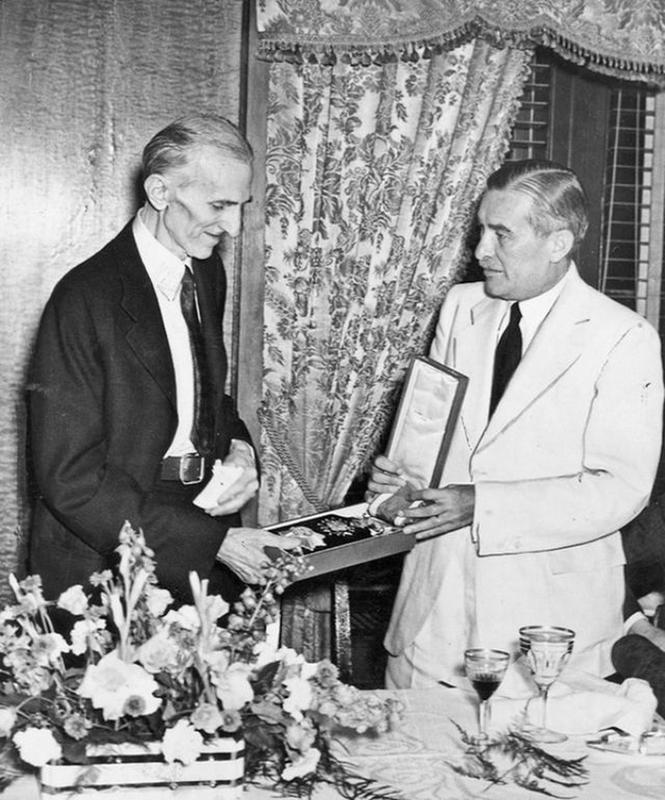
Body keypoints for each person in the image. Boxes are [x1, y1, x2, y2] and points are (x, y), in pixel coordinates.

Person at [368, 159, 664, 688]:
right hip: (433, 616)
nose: (481, 250)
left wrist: (484, 504)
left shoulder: (623, 337)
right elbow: (429, 441)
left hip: (547, 631)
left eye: (501, 234)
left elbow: (621, 490)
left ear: (559, 242)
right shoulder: (461, 307)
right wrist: (399, 486)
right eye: (481, 229)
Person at [27, 114, 296, 607]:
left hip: (194, 522)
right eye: (219, 205)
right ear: (159, 191)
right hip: (107, 553)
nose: (233, 226)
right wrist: (211, 544)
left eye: (241, 207)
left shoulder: (206, 271)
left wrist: (238, 446)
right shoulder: (84, 298)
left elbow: (203, 396)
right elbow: (68, 477)